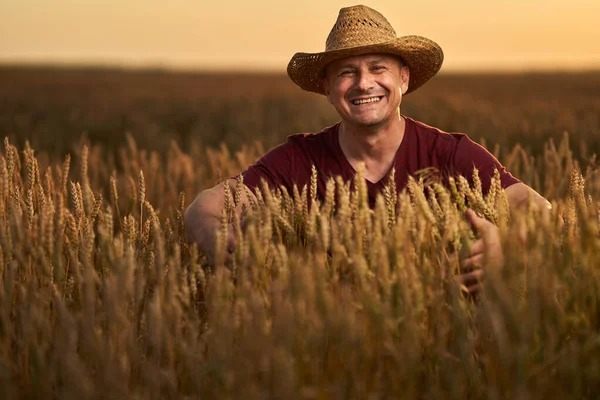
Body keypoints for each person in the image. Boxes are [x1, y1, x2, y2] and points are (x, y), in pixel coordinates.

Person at [184, 5, 550, 293]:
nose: (364, 83)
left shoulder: (450, 154)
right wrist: (216, 239)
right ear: (327, 87)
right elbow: (206, 205)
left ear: (403, 78)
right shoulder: (299, 160)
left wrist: (510, 245)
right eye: (346, 72)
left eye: (378, 68)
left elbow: (536, 208)